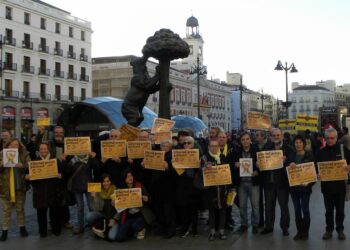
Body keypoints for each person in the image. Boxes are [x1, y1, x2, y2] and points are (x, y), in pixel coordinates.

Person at [316, 128, 350, 240]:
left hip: (340, 187)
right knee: (328, 211)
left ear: (336, 138)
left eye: (332, 138)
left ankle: (340, 230)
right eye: (327, 138)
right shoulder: (320, 152)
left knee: (340, 211)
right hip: (327, 188)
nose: (330, 140)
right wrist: (317, 174)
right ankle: (329, 230)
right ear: (324, 139)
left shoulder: (343, 150)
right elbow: (316, 168)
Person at [260, 128, 294, 236]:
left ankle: (285, 227)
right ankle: (269, 226)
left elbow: (292, 163)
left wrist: (287, 160)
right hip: (269, 182)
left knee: (283, 206)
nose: (276, 137)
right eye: (274, 135)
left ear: (282, 136)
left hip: (282, 183)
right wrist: (259, 163)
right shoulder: (267, 147)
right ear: (270, 137)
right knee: (269, 206)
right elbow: (262, 162)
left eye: (278, 135)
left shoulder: (288, 148)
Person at [26, 142, 63, 237]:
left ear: (48, 149)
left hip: (53, 190)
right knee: (41, 214)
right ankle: (42, 232)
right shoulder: (34, 162)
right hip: (39, 191)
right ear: (38, 151)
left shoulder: (55, 161)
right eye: (41, 149)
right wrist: (28, 177)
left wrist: (60, 176)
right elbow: (30, 179)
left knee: (54, 213)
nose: (43, 151)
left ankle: (56, 230)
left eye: (45, 149)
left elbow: (63, 173)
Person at [0, 138, 31, 241]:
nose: (13, 147)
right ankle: (4, 231)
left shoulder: (24, 154)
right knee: (6, 211)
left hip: (19, 186)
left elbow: (30, 165)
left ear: (19, 146)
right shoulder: (1, 154)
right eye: (11, 145)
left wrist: (23, 166)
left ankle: (22, 227)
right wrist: (2, 164)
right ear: (7, 145)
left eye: (16, 145)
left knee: (20, 209)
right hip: (5, 188)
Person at [62, 150, 100, 235]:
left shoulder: (89, 158)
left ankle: (94, 225)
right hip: (77, 186)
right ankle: (80, 227)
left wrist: (94, 157)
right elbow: (67, 171)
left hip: (89, 186)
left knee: (92, 207)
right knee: (80, 208)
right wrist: (64, 160)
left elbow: (97, 168)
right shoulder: (73, 159)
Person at [110, 168, 150, 241]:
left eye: (131, 175)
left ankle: (141, 229)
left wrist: (145, 198)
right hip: (128, 217)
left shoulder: (139, 185)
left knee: (135, 226)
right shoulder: (121, 189)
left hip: (140, 215)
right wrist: (114, 203)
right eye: (127, 176)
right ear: (124, 179)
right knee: (119, 238)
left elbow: (149, 199)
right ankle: (132, 231)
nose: (130, 178)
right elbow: (118, 207)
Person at [288, 135, 315, 240]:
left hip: (305, 189)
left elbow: (313, 172)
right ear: (294, 144)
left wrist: (309, 183)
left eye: (300, 142)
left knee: (305, 209)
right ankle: (299, 231)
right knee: (297, 210)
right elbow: (286, 169)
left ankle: (305, 232)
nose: (298, 144)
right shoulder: (291, 155)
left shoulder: (310, 156)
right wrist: (289, 164)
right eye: (296, 142)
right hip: (294, 189)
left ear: (303, 144)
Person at [202, 139, 230, 241]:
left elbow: (227, 172)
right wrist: (205, 168)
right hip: (210, 190)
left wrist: (229, 188)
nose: (214, 148)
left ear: (219, 147)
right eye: (212, 146)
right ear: (209, 147)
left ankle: (222, 231)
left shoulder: (223, 157)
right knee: (212, 211)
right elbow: (200, 172)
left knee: (222, 210)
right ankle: (212, 232)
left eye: (216, 146)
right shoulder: (205, 158)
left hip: (222, 189)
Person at [234, 132, 260, 234]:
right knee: (242, 205)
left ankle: (255, 224)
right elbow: (231, 164)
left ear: (250, 140)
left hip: (253, 182)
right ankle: (244, 224)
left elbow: (262, 166)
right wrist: (235, 165)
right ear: (241, 141)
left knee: (255, 205)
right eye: (243, 139)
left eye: (247, 139)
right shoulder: (236, 151)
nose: (245, 141)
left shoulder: (256, 151)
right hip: (241, 184)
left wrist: (257, 170)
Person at [49, 126, 73, 229]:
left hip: (64, 176)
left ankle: (65, 221)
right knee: (52, 201)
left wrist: (65, 162)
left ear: (63, 133)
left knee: (64, 201)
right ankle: (53, 222)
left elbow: (72, 162)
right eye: (57, 132)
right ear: (54, 133)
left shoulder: (68, 145)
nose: (58, 134)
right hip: (51, 176)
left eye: (60, 132)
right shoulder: (49, 144)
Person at [86, 174, 117, 239]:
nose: (106, 183)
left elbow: (121, 209)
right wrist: (95, 198)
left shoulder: (116, 190)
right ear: (101, 182)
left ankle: (102, 230)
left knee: (112, 237)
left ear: (110, 182)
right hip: (102, 216)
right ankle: (100, 226)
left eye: (108, 181)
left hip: (113, 217)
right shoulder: (98, 191)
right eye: (104, 181)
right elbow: (96, 209)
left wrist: (114, 219)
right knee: (89, 216)